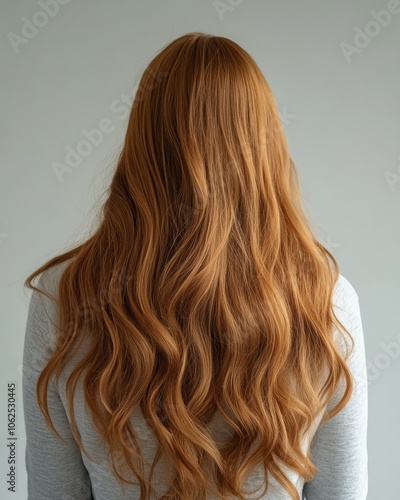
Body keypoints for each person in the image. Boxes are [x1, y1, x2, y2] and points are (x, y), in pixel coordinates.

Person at [22, 32, 368, 499]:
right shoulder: (326, 301)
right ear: (263, 147)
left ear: (142, 144)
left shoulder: (63, 296)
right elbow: (342, 493)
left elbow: (52, 490)